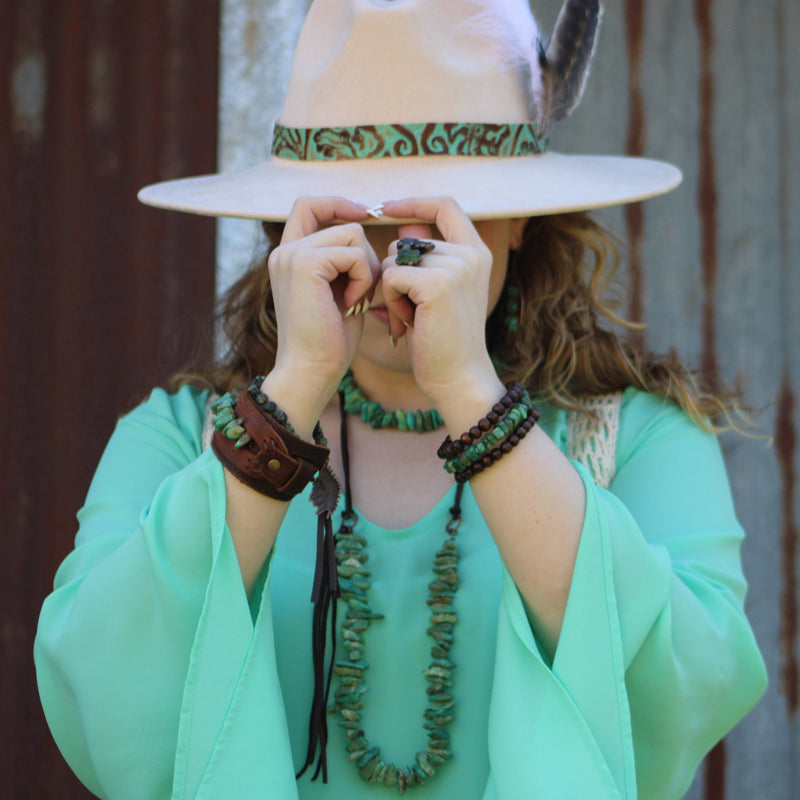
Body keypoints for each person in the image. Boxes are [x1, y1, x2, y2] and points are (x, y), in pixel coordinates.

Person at [34, 1, 767, 798]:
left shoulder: (640, 440)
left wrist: (470, 393)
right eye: (359, 216)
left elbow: (687, 686)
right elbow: (99, 691)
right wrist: (294, 388)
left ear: (521, 219)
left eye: (444, 216)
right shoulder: (177, 437)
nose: (396, 258)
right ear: (288, 225)